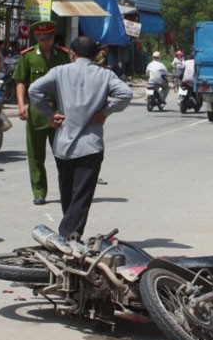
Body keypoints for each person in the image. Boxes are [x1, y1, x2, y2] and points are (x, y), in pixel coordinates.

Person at [28, 36, 133, 239]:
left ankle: (68, 234)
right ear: (94, 56)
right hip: (90, 146)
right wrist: (105, 111)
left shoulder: (60, 71)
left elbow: (34, 90)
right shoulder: (105, 75)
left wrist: (49, 114)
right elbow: (126, 94)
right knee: (81, 196)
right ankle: (69, 235)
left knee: (67, 193)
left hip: (64, 144)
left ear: (72, 54)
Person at [13, 20, 69, 205]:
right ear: (36, 37)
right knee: (36, 155)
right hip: (37, 113)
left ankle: (65, 190)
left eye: (50, 37)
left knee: (62, 154)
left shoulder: (63, 55)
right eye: (43, 38)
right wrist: (21, 105)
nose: (46, 41)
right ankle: (39, 192)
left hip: (59, 112)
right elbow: (20, 81)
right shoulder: (28, 57)